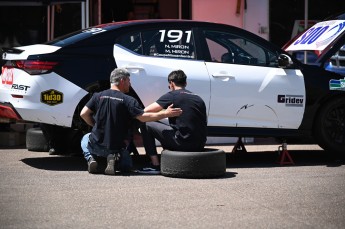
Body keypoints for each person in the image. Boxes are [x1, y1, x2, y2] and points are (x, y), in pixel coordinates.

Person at [80, 68, 182, 175]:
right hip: (118, 147)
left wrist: (95, 125)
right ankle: (114, 159)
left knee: (85, 138)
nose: (130, 83)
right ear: (122, 80)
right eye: (129, 80)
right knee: (127, 167)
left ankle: (91, 158)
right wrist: (166, 113)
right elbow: (143, 117)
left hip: (97, 145)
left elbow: (83, 114)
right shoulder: (129, 100)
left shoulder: (97, 96)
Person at [138, 70, 208, 174]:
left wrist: (165, 113)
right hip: (200, 144)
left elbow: (146, 111)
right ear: (186, 83)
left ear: (171, 83)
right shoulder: (198, 98)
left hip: (182, 143)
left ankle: (155, 165)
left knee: (145, 124)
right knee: (162, 123)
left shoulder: (172, 95)